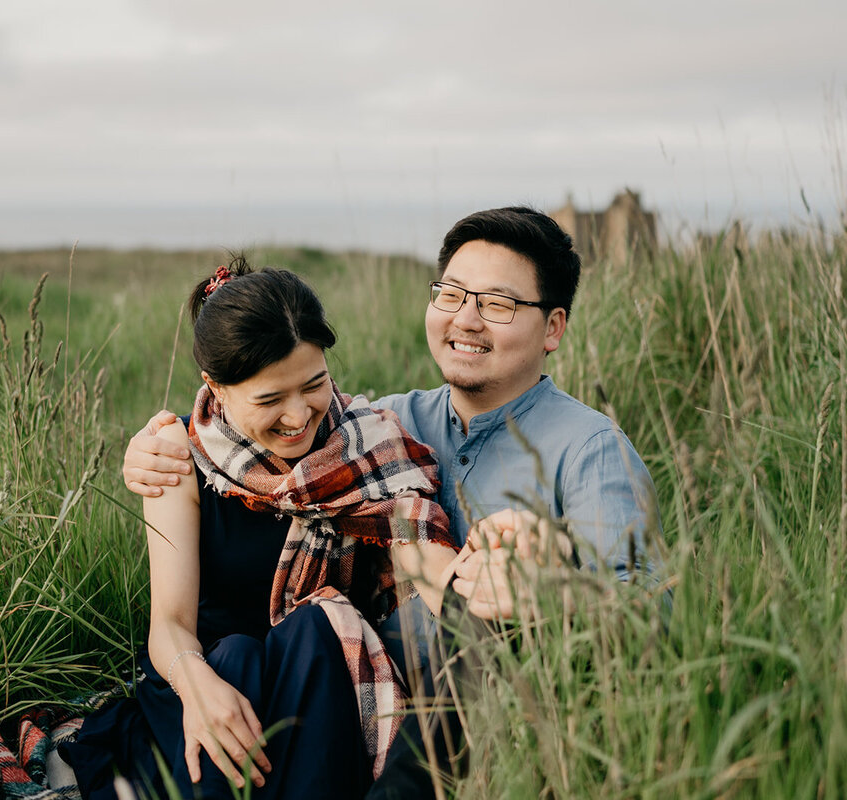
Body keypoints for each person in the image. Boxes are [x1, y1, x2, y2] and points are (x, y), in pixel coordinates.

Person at [120, 208, 661, 795]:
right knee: (270, 650)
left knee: (357, 625)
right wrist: (153, 449)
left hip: (472, 708)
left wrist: (544, 585)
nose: (467, 319)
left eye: (498, 305)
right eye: (452, 294)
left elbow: (646, 615)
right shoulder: (385, 423)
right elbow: (261, 418)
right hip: (330, 688)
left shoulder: (588, 448)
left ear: (553, 327)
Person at [60, 258, 459, 800]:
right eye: (269, 400)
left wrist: (476, 586)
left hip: (315, 684)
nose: (299, 416)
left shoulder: (366, 447)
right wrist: (199, 688)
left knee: (319, 625)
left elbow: (418, 549)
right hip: (199, 678)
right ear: (215, 388)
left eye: (314, 385)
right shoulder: (178, 455)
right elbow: (170, 625)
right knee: (235, 658)